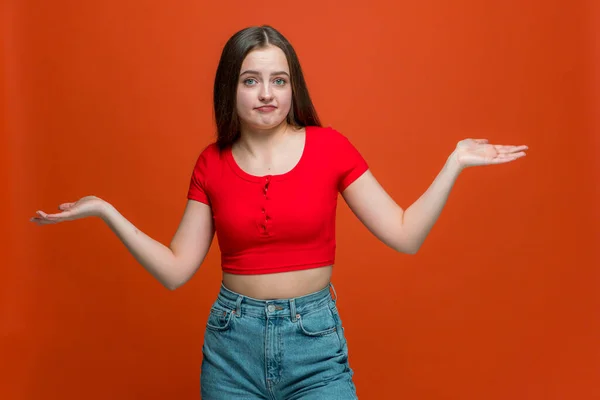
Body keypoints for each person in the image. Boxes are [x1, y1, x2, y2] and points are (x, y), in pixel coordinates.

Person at [30, 25, 528, 399]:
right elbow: (176, 270)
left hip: (315, 343)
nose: (267, 93)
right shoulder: (212, 162)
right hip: (231, 349)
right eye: (251, 80)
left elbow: (404, 234)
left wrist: (454, 163)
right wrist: (106, 211)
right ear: (231, 87)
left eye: (278, 80)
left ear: (293, 88)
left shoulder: (331, 148)